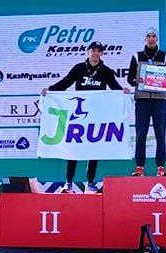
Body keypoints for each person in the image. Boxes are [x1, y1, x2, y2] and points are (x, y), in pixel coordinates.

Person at [41, 41, 125, 193]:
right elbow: (65, 82)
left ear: (101, 54)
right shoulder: (79, 68)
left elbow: (115, 88)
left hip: (96, 115)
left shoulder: (106, 71)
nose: (95, 53)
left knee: (94, 148)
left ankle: (90, 183)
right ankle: (68, 183)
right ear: (88, 52)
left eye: (98, 51)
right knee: (74, 147)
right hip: (78, 116)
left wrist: (123, 92)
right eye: (93, 50)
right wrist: (51, 90)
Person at [127, 27, 166, 177]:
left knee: (160, 133)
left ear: (157, 38)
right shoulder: (137, 56)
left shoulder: (165, 56)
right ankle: (139, 166)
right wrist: (137, 80)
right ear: (145, 39)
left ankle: (161, 166)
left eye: (153, 36)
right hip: (142, 100)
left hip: (160, 100)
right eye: (148, 36)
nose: (151, 38)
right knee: (141, 133)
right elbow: (130, 79)